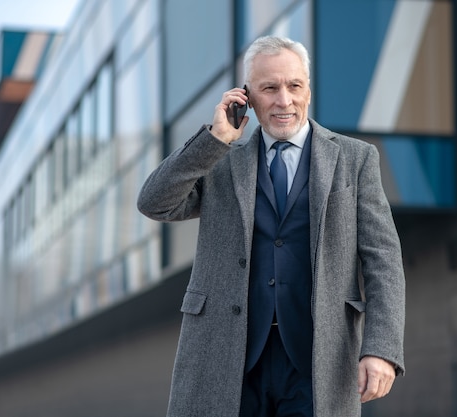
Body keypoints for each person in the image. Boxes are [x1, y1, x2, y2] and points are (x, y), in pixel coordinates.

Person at [137, 35, 405, 417]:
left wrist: (381, 348)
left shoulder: (355, 159)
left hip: (318, 360)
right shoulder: (220, 161)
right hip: (230, 358)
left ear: (308, 91)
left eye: (294, 86)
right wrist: (214, 141)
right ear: (247, 96)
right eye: (269, 88)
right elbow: (154, 203)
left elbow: (384, 260)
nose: (284, 100)